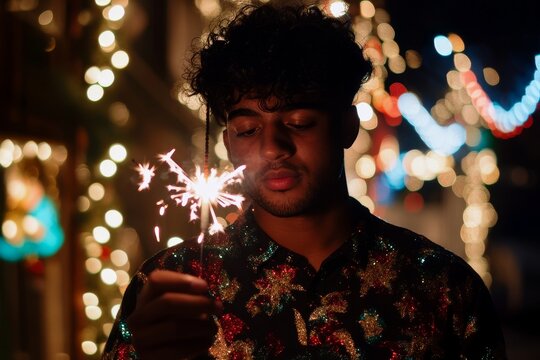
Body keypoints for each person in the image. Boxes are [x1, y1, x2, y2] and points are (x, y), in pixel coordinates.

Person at [103, 4, 506, 359]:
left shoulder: (441, 287)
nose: (273, 147)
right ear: (226, 142)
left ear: (347, 126)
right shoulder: (176, 288)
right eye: (247, 129)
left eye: (298, 123)